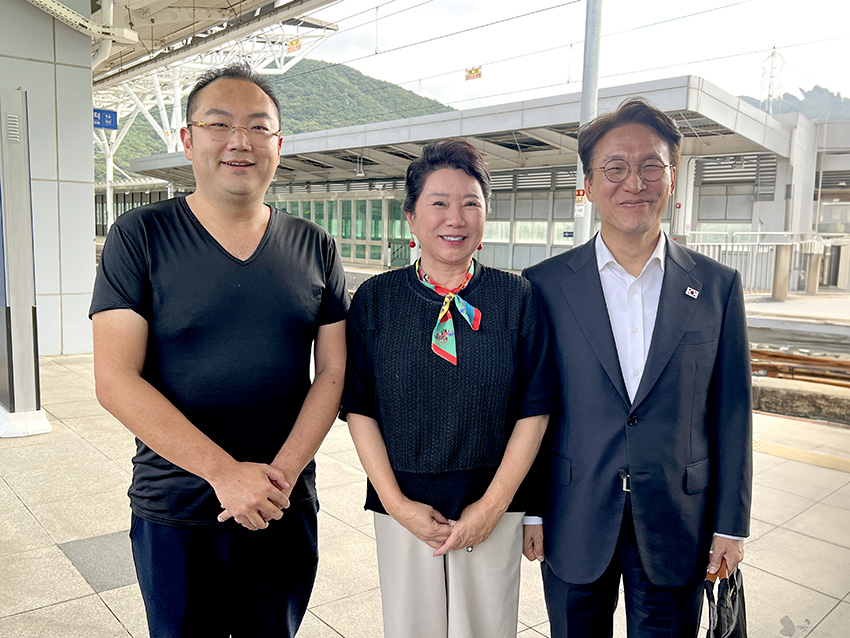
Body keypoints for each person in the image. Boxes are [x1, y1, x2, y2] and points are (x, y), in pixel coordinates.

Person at [89, 63, 348, 637]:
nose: (240, 141)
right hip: (176, 507)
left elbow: (333, 371)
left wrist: (278, 478)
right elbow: (115, 380)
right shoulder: (140, 235)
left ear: (278, 144)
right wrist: (225, 474)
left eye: (258, 126)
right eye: (219, 124)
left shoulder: (314, 245)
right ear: (188, 139)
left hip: (283, 504)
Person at [522, 98, 753, 637]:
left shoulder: (717, 286)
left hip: (678, 520)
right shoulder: (544, 285)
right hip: (574, 513)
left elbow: (732, 413)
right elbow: (532, 406)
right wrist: (531, 511)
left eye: (652, 166)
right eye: (615, 168)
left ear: (672, 178)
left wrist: (731, 525)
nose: (635, 183)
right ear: (588, 183)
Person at [341, 139, 556, 638]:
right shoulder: (375, 299)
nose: (455, 218)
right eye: (438, 203)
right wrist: (397, 505)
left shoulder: (518, 298)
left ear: (486, 216)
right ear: (411, 219)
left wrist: (492, 507)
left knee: (485, 630)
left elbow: (535, 410)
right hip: (403, 506)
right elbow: (358, 408)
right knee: (411, 630)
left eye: (470, 204)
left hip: (493, 507)